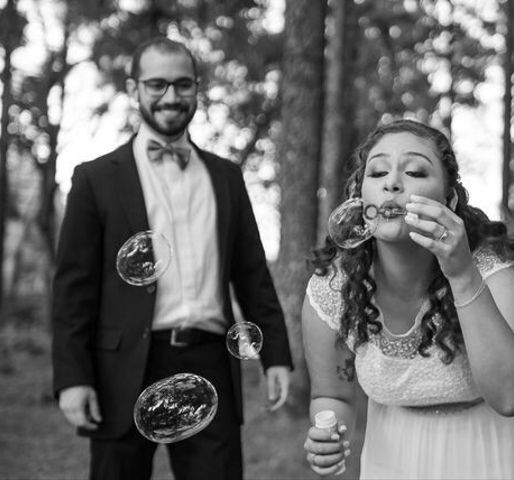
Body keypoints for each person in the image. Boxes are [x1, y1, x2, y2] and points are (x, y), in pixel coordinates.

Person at [52, 37, 293, 480]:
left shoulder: (227, 177)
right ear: (134, 88)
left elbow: (252, 273)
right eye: (157, 84)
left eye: (183, 85)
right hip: (122, 366)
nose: (170, 97)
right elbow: (73, 290)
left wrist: (275, 354)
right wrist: (72, 377)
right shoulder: (95, 179)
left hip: (210, 362)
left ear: (197, 89)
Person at [302, 119, 514, 479]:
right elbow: (332, 395)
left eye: (414, 171)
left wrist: (461, 274)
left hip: (504, 452)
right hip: (396, 454)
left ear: (448, 199)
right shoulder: (333, 290)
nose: (392, 182)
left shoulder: (492, 274)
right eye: (378, 171)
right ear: (360, 197)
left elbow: (513, 398)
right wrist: (330, 434)